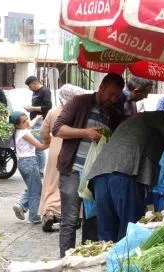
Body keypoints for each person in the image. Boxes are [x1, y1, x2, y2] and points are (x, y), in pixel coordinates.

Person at [87, 108, 164, 241]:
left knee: (106, 234)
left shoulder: (140, 120)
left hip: (100, 174)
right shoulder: (159, 117)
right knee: (130, 231)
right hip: (123, 175)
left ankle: (108, 260)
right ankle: (122, 260)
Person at [53, 73, 125, 257]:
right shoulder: (80, 102)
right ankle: (65, 261)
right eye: (110, 94)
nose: (113, 99)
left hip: (96, 176)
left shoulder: (114, 113)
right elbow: (58, 129)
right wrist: (85, 132)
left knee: (92, 220)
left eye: (117, 96)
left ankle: (86, 261)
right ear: (101, 88)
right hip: (72, 171)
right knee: (69, 220)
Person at [39, 84, 89, 232]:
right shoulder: (81, 112)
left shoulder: (53, 112)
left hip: (55, 150)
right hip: (74, 150)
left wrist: (47, 142)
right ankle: (76, 215)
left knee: (52, 183)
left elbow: (43, 131)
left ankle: (50, 212)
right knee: (74, 183)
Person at [11, 111, 48, 224]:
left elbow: (30, 124)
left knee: (34, 187)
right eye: (24, 121)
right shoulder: (24, 134)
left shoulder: (20, 130)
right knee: (35, 191)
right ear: (17, 125)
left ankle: (21, 205)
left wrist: (36, 118)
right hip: (29, 162)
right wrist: (55, 140)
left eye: (27, 119)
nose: (27, 122)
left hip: (24, 163)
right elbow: (40, 146)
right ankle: (34, 216)